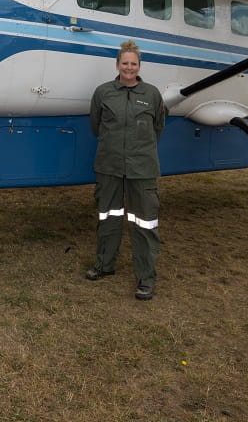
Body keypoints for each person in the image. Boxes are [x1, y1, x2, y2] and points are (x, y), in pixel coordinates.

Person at [86, 40, 166, 300]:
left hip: (142, 169)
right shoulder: (103, 93)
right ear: (117, 65)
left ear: (139, 66)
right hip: (109, 167)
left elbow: (158, 128)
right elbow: (97, 125)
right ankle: (104, 265)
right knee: (108, 218)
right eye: (125, 63)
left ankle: (145, 279)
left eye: (133, 63)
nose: (129, 68)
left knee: (144, 224)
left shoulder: (152, 94)